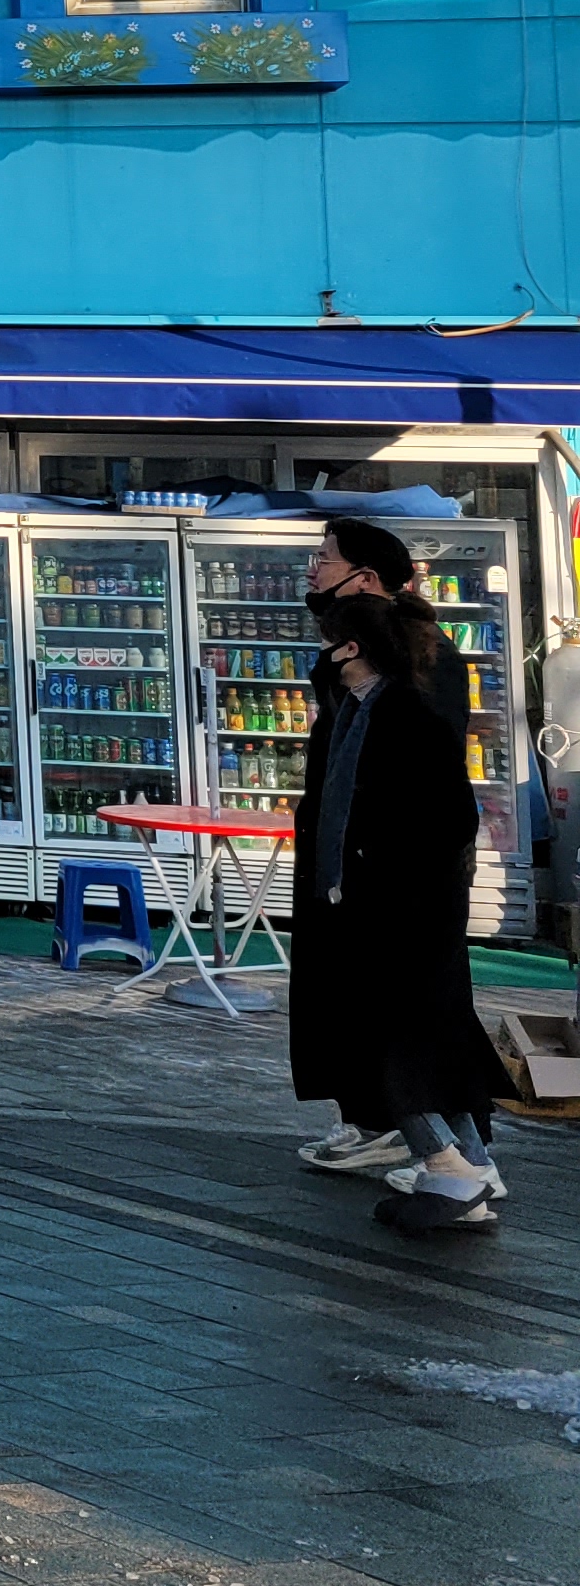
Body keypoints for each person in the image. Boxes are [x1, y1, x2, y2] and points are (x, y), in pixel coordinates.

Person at [285, 515, 511, 1234]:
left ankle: (451, 1165)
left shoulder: (407, 689)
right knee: (413, 1023)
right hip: (375, 885)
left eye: (325, 557)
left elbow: (415, 800)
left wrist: (362, 874)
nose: (313, 568)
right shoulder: (369, 693)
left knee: (398, 1025)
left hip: (394, 892)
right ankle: (459, 1160)